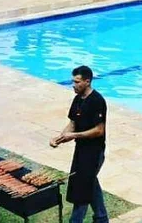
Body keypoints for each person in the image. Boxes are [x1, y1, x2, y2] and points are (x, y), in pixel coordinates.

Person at [50, 66, 108, 223]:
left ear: (87, 81)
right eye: (73, 81)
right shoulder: (77, 99)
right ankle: (102, 219)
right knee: (90, 182)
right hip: (81, 150)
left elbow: (99, 130)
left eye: (77, 82)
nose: (73, 85)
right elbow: (72, 124)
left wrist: (73, 135)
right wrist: (59, 138)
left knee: (82, 187)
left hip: (94, 151)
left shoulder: (97, 101)